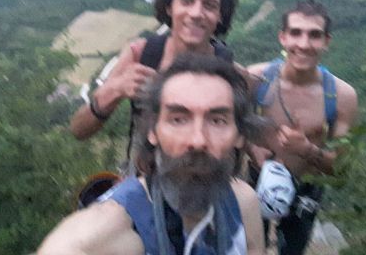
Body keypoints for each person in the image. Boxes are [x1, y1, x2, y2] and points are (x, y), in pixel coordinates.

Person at [37, 54, 265, 255]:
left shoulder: (243, 203)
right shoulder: (117, 229)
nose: (198, 140)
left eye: (217, 121)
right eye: (178, 119)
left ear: (240, 136)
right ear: (153, 132)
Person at [70, 0, 238, 140]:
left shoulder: (228, 70)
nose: (196, 13)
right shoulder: (142, 55)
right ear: (169, 7)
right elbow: (79, 130)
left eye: (209, 5)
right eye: (187, 1)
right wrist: (116, 90)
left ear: (220, 15)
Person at [247, 0, 358, 255]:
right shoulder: (257, 79)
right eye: (296, 33)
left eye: (314, 35)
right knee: (249, 247)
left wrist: (306, 149)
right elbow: (229, 125)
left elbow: (340, 168)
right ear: (283, 37)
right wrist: (251, 147)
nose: (304, 44)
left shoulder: (341, 96)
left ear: (326, 41)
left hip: (305, 189)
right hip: (255, 179)